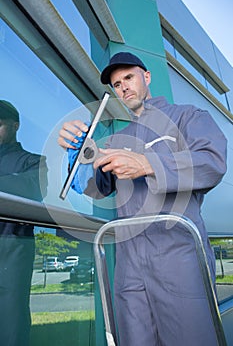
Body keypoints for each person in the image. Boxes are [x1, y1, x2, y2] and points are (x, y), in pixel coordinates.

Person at [58, 52, 227, 346]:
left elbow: (211, 163)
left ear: (146, 77)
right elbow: (95, 188)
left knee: (192, 338)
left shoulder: (188, 117)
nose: (123, 87)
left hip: (179, 255)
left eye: (128, 77)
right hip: (130, 264)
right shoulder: (114, 141)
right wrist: (78, 156)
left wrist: (147, 164)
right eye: (116, 84)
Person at [0, 100, 48, 346]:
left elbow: (33, 188)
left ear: (15, 126)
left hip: (12, 250)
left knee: (11, 321)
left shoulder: (34, 161)